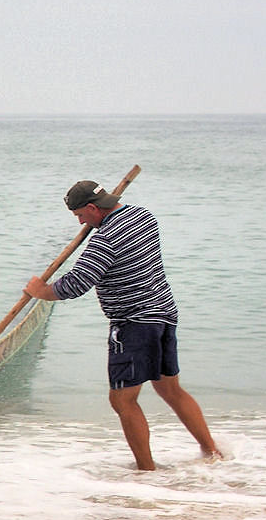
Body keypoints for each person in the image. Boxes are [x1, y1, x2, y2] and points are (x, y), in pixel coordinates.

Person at [23, 180, 220, 470]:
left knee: (122, 400)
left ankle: (146, 471)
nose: (80, 222)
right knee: (170, 390)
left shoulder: (104, 241)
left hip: (133, 323)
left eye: (80, 215)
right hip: (164, 314)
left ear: (93, 208)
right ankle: (213, 453)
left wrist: (42, 291)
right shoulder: (143, 216)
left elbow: (76, 284)